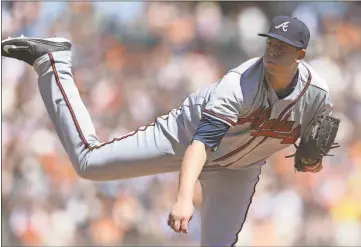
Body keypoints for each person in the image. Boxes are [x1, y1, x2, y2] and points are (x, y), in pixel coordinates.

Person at [1, 16, 333, 246]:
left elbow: (311, 149)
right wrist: (184, 198)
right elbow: (200, 145)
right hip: (183, 136)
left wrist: (312, 162)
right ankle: (53, 61)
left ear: (300, 55)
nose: (273, 51)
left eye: (283, 47)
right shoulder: (239, 86)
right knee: (89, 163)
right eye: (271, 42)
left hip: (239, 168)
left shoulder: (317, 95)